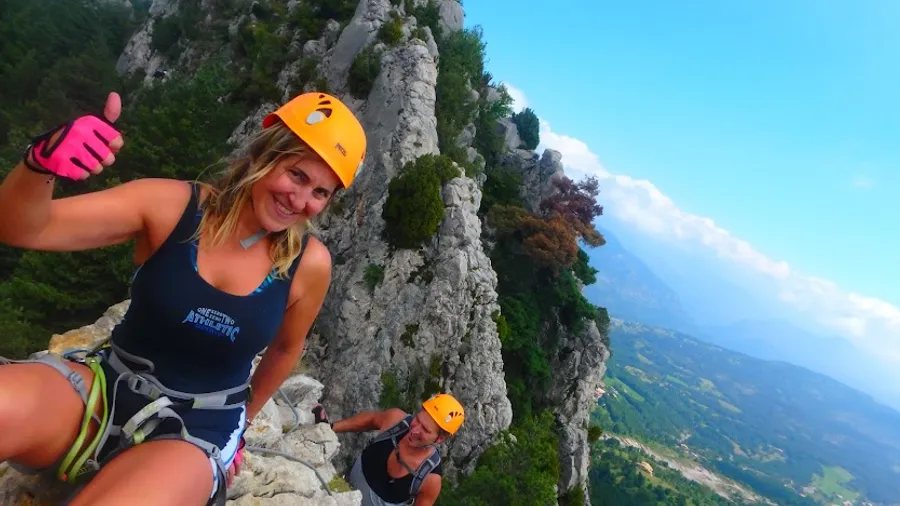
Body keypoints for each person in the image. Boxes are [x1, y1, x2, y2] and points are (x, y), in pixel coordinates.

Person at [0, 90, 367, 506]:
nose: (300, 201)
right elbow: (21, 228)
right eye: (297, 175)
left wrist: (241, 423)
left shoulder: (308, 264)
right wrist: (40, 163)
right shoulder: (171, 207)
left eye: (321, 192)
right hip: (110, 383)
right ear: (264, 154)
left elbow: (286, 348)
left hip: (198, 428)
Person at [310, 393, 465, 506]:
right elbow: (371, 420)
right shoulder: (396, 421)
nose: (415, 430)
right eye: (417, 419)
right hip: (339, 492)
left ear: (439, 439)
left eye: (425, 429)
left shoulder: (430, 479)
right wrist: (331, 427)